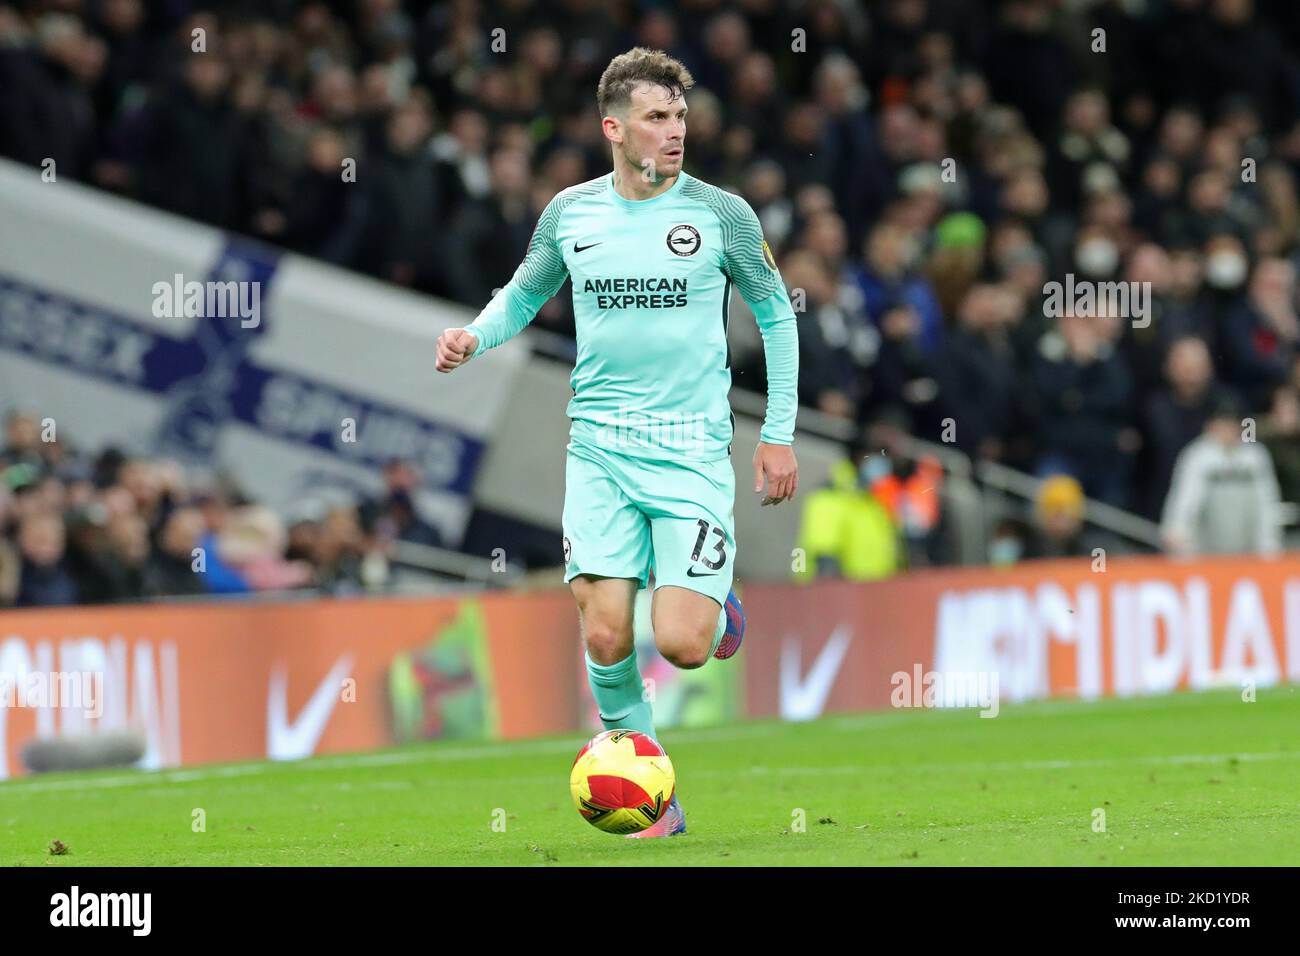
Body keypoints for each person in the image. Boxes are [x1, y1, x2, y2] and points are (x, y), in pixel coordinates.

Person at [435, 48, 798, 837]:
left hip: (693, 449)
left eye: (680, 118)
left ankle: (715, 604)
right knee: (603, 629)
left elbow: (777, 313)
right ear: (614, 127)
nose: (675, 133)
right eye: (657, 118)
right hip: (599, 447)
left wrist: (777, 434)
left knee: (683, 644)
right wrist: (475, 334)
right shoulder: (571, 213)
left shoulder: (722, 214)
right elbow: (527, 289)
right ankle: (650, 796)